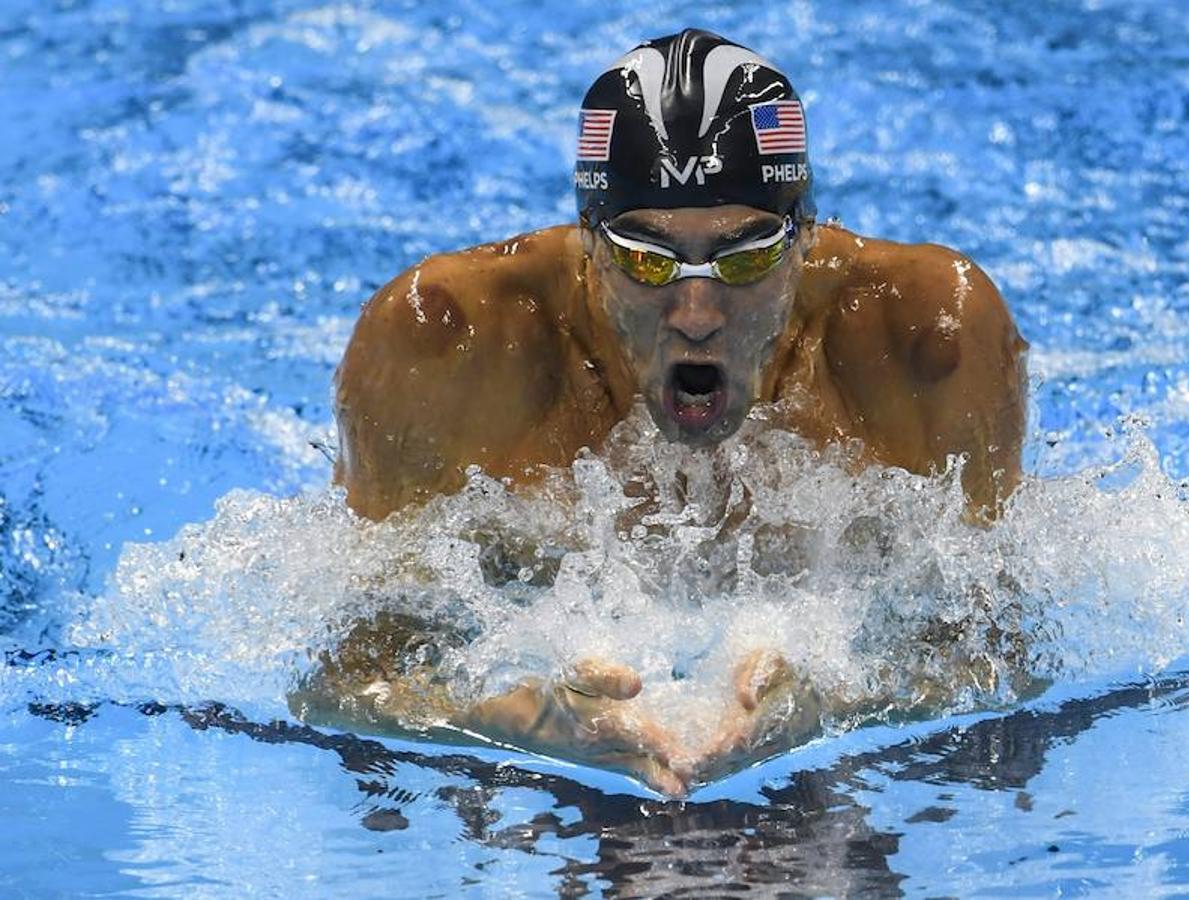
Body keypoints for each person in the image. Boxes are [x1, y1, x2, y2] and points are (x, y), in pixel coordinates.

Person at [296, 29, 1028, 796]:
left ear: (805, 238)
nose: (698, 313)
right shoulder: (445, 349)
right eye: (648, 259)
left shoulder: (926, 340)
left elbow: (1007, 653)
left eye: (745, 258)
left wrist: (835, 705)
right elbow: (341, 681)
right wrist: (504, 719)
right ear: (590, 246)